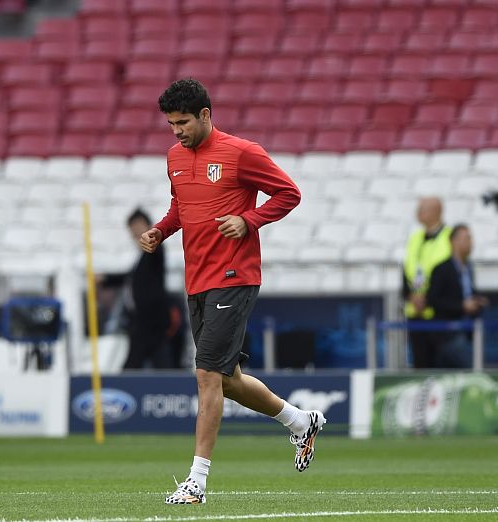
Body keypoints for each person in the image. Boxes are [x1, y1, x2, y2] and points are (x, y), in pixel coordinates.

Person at [141, 79, 325, 506]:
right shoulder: (174, 157)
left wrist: (249, 220)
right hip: (197, 279)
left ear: (205, 115)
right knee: (226, 379)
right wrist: (161, 231)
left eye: (183, 122)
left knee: (206, 374)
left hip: (234, 275)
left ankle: (196, 482)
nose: (176, 131)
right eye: (170, 124)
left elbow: (289, 193)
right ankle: (300, 421)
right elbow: (180, 208)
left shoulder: (242, 153)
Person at [101, 209, 172, 369]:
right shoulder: (140, 259)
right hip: (141, 320)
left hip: (151, 320)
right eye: (132, 228)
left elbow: (155, 249)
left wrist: (152, 237)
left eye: (138, 226)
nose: (135, 231)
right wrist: (105, 279)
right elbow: (129, 277)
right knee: (152, 362)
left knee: (145, 363)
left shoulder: (155, 250)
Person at [426, 224, 488, 367]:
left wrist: (476, 300)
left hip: (467, 333)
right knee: (472, 365)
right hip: (448, 334)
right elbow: (433, 300)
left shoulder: (468, 268)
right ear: (454, 241)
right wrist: (461, 306)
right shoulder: (442, 269)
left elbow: (467, 292)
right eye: (466, 238)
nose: (470, 243)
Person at [402, 197, 453, 368]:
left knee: (441, 363)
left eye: (423, 208)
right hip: (415, 314)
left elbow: (448, 274)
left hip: (439, 313)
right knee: (419, 364)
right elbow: (407, 268)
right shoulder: (415, 238)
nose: (418, 212)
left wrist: (428, 299)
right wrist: (411, 296)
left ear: (437, 211)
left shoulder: (449, 237)